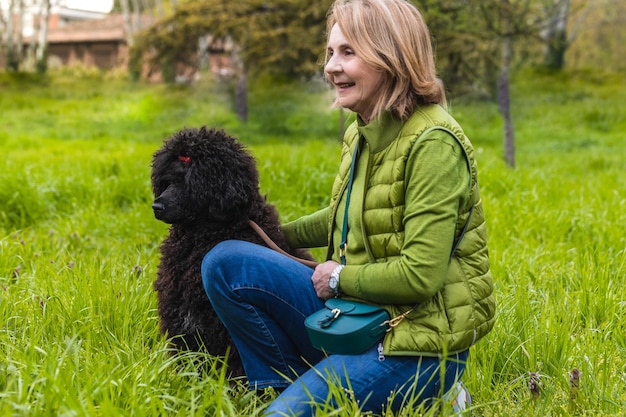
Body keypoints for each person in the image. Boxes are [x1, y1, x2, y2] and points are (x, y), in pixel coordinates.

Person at [200, 0, 496, 415]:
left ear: (391, 56)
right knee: (225, 262)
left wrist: (339, 277)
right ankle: (280, 385)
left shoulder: (434, 144)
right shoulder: (364, 131)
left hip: (415, 343)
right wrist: (264, 231)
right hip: (357, 317)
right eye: (330, 52)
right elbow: (347, 219)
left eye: (348, 52)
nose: (331, 67)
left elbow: (420, 275)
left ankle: (437, 391)